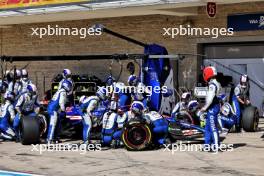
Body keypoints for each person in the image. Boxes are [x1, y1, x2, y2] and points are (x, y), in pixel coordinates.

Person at [200, 66, 221, 152]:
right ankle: (207, 145)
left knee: (213, 128)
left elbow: (210, 98)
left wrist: (204, 108)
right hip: (212, 107)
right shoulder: (216, 83)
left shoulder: (212, 85)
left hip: (212, 107)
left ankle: (216, 146)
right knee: (207, 128)